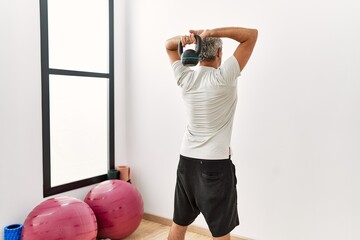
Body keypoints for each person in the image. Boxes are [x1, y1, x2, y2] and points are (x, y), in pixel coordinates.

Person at [165, 27, 258, 240]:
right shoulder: (224, 77)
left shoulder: (185, 78)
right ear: (219, 54)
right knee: (221, 232)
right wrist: (211, 32)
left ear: (197, 54)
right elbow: (251, 35)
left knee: (179, 223)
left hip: (186, 162)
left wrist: (184, 39)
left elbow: (168, 46)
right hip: (214, 166)